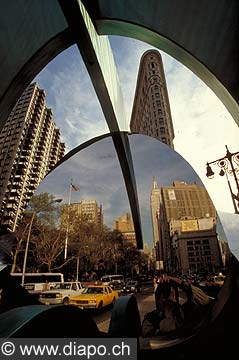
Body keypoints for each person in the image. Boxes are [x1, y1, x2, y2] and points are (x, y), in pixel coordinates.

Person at [142, 275, 211, 337]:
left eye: (173, 293)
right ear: (158, 299)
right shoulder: (152, 319)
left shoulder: (184, 311)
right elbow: (146, 338)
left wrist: (179, 282)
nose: (170, 296)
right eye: (166, 294)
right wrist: (163, 310)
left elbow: (205, 300)